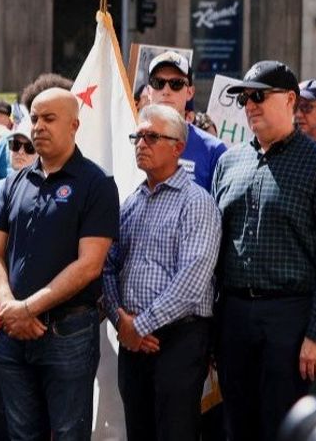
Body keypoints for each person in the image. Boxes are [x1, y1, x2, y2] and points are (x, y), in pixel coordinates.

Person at [212, 61, 316, 441]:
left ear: (291, 100)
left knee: (285, 428)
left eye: (259, 95)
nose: (250, 105)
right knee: (237, 425)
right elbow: (216, 249)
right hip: (234, 314)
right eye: (244, 98)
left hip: (292, 317)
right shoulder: (229, 161)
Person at [0, 87, 119, 440]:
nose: (38, 126)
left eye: (49, 118)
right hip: (12, 333)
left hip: (68, 333)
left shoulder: (96, 184)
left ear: (74, 125)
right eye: (34, 118)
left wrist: (28, 307)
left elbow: (90, 265)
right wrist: (10, 307)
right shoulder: (15, 181)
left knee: (68, 434)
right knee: (21, 435)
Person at [102, 104, 220, 440]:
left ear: (178, 147)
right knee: (139, 432)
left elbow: (193, 279)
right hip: (131, 338)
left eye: (152, 137)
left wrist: (139, 325)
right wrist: (120, 319)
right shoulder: (131, 202)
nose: (141, 143)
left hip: (179, 339)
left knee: (175, 432)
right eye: (137, 137)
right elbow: (108, 266)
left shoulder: (196, 201)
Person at [144, 51, 227, 191]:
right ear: (148, 91)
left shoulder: (213, 150)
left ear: (190, 92)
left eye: (176, 84)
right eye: (158, 83)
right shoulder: (133, 143)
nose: (166, 90)